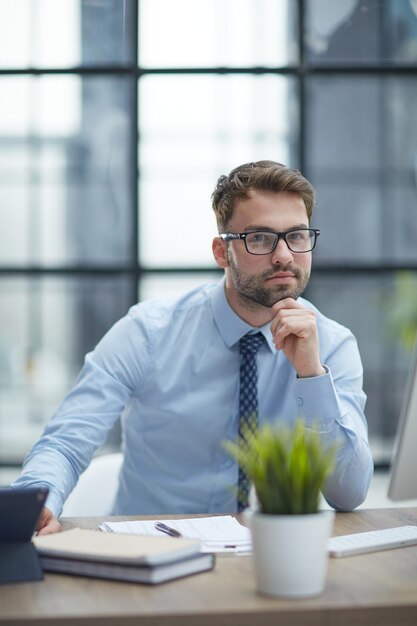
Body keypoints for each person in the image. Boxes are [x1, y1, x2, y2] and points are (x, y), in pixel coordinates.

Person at [13, 160, 373, 534]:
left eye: (296, 236)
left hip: (275, 554)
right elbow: (68, 440)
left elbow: (347, 494)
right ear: (222, 252)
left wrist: (311, 375)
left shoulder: (331, 344)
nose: (284, 255)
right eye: (260, 238)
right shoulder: (147, 332)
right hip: (153, 555)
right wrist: (36, 503)